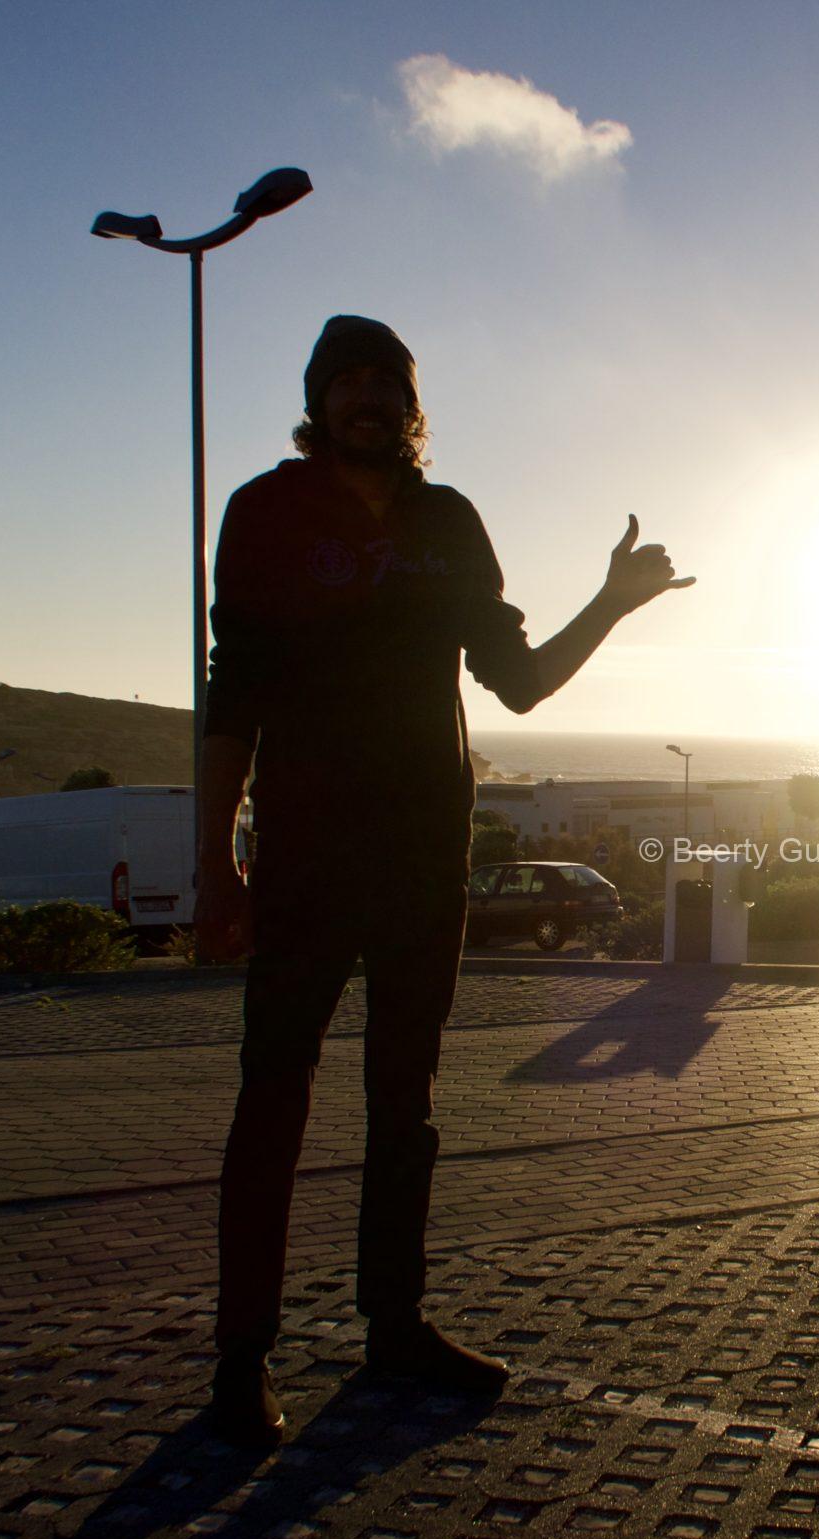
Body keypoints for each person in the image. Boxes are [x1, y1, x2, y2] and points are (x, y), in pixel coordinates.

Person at [193, 315, 691, 1448]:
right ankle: (241, 1355)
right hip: (306, 856)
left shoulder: (448, 521)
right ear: (317, 401)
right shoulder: (266, 511)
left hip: (423, 857)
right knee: (271, 1102)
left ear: (411, 406)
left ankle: (395, 1325)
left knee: (405, 1106)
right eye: (347, 381)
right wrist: (218, 860)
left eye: (387, 382)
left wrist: (611, 602)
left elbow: (518, 682)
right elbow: (235, 693)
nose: (367, 397)